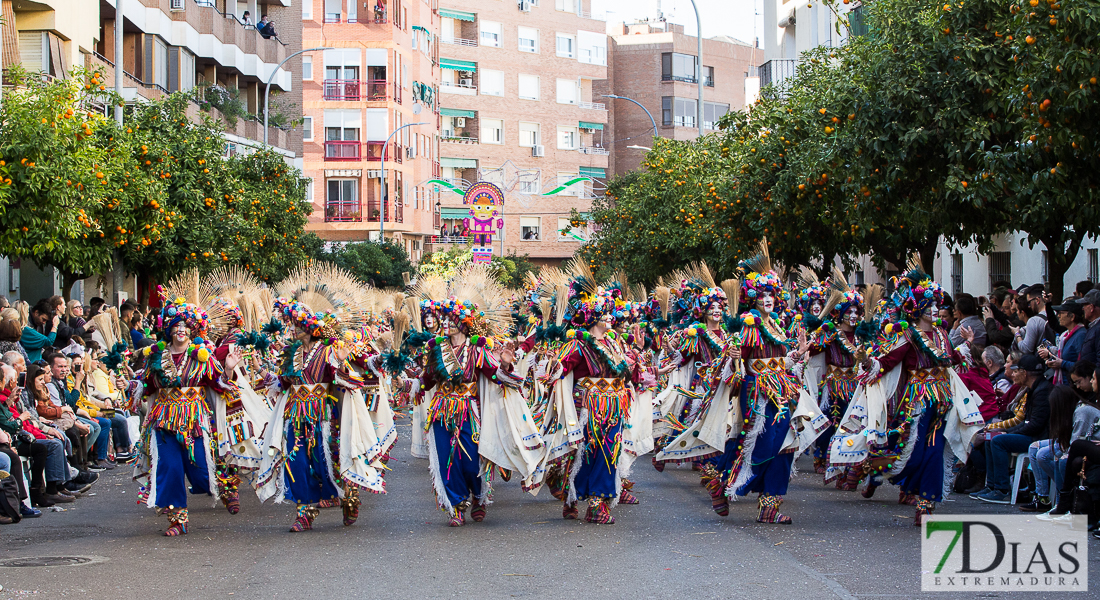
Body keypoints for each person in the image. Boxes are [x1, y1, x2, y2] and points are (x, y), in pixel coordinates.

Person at [132, 292, 244, 536]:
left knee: (201, 470)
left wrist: (228, 368)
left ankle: (225, 488)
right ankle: (178, 518)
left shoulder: (202, 357)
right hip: (163, 419)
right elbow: (148, 384)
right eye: (177, 326)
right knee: (169, 468)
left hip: (193, 420)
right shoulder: (157, 356)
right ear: (169, 329)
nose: (181, 330)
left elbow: (218, 384)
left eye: (186, 326)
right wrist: (135, 389)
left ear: (193, 331)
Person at [973, 354, 1052, 504]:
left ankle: (1001, 489)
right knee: (992, 438)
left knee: (998, 441)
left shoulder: (1042, 391)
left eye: (1017, 371)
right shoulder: (1033, 389)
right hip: (1032, 432)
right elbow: (1028, 422)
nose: (1014, 375)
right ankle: (991, 486)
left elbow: (1035, 425)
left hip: (1039, 437)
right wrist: (1006, 432)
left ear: (1025, 373)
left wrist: (1008, 433)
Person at [1040, 299, 1087, 386]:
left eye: (1061, 313)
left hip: (1073, 387)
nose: (1058, 316)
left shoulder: (1080, 335)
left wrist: (1061, 364)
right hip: (1065, 384)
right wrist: (1051, 359)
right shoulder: (1065, 336)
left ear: (1072, 317)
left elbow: (1083, 365)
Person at [1014, 284, 1055, 356]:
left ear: (1037, 300)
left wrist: (1017, 334)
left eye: (1029, 303)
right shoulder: (1056, 314)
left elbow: (1026, 349)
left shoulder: (1034, 321)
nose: (1029, 306)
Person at [1075, 289, 1100, 367]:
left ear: (1092, 307)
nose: (1083, 308)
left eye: (1084, 305)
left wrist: (1095, 376)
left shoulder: (1098, 329)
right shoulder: (1093, 327)